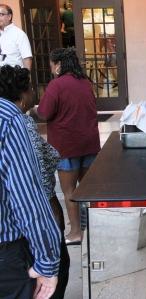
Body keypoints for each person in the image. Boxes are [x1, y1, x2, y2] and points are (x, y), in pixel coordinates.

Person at [7, 65, 70, 298]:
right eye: (31, 88)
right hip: (26, 225)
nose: (35, 92)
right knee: (56, 269)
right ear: (23, 95)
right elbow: (34, 180)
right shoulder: (18, 124)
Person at [37, 48, 101, 245]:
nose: (51, 69)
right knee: (87, 191)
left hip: (67, 147)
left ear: (58, 65)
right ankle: (89, 229)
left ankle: (75, 233)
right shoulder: (85, 83)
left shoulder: (56, 85)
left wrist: (37, 107)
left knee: (69, 192)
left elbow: (44, 113)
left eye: (52, 65)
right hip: (89, 143)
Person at [0, 4, 32, 70]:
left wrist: (25, 78)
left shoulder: (19, 34)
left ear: (9, 16)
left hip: (14, 77)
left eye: (0, 15)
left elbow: (27, 58)